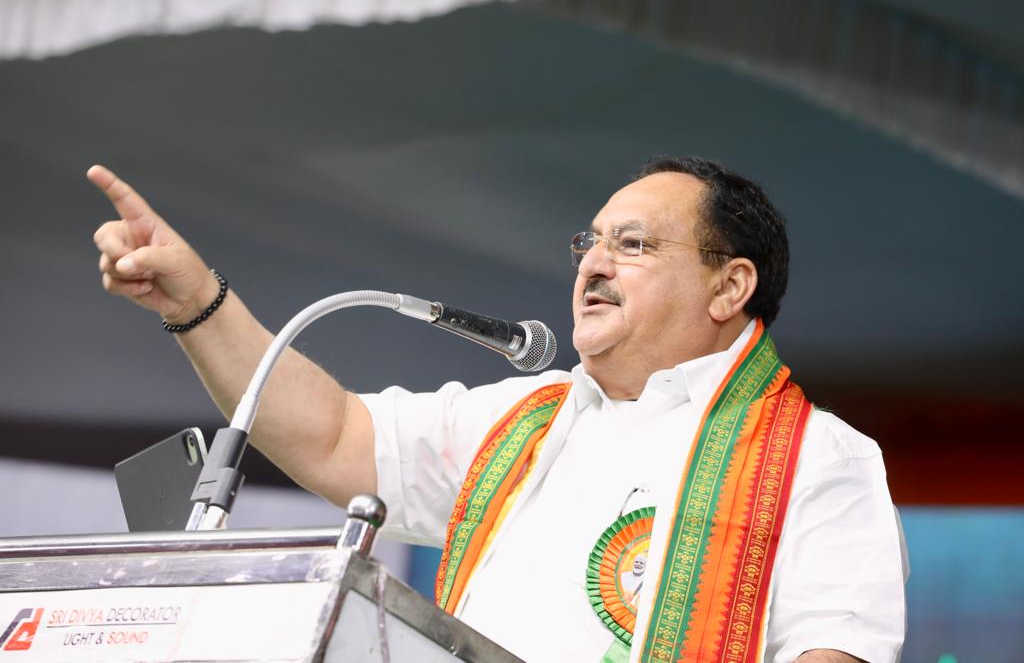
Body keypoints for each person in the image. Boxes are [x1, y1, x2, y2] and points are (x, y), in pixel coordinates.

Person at [89, 156, 907, 663]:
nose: (594, 263)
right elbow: (334, 434)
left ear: (730, 286)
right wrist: (195, 301)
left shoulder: (819, 455)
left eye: (633, 244)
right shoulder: (523, 419)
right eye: (588, 243)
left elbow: (836, 650)